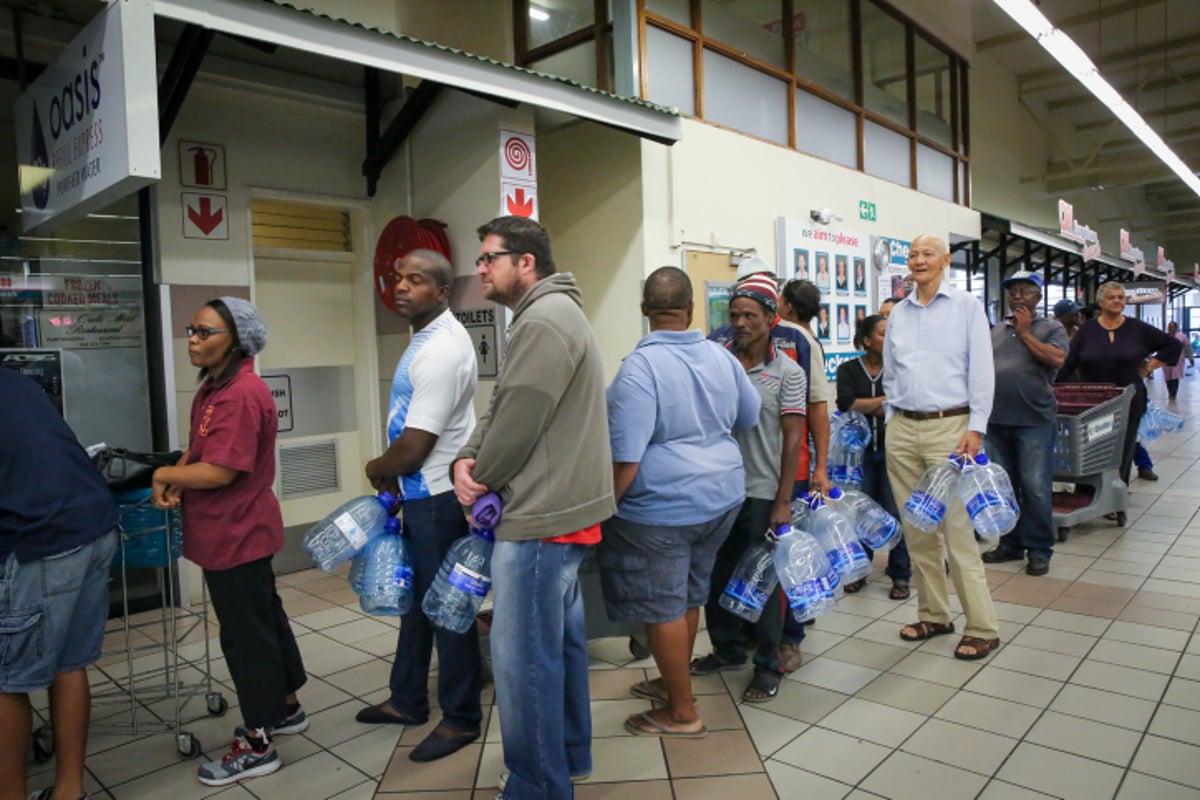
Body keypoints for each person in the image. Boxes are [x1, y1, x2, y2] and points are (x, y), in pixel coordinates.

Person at [452, 216, 614, 800]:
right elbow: (502, 403)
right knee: (561, 650)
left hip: (541, 521)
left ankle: (535, 787)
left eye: (489, 258)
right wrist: (468, 456)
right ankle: (568, 758)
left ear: (526, 263)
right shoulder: (545, 317)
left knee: (524, 667)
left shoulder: (545, 319)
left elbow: (519, 416)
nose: (480, 269)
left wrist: (478, 477)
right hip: (561, 516)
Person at [152, 298, 308, 787]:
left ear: (237, 341)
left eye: (205, 331)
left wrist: (162, 473)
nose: (193, 339)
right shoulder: (214, 388)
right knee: (263, 618)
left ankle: (258, 743)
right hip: (233, 530)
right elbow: (201, 451)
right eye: (191, 329)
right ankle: (285, 705)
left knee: (246, 636)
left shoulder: (241, 393)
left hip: (237, 531)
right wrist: (179, 471)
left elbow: (220, 470)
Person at [601, 267, 759, 738]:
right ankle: (677, 686)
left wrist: (603, 509)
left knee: (663, 606)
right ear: (690, 309)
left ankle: (682, 712)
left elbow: (626, 457)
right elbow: (749, 416)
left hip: (663, 510)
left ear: (646, 311)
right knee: (690, 595)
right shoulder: (722, 357)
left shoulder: (639, 369)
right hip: (722, 498)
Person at [353, 250, 483, 761]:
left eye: (416, 280)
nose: (401, 287)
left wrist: (375, 468)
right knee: (414, 605)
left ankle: (461, 718)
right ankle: (407, 699)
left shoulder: (441, 350)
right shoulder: (426, 338)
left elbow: (416, 444)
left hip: (436, 497)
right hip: (419, 493)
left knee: (448, 610)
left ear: (443, 291)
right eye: (397, 278)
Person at [0, 371, 119, 800]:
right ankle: (69, 790)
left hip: (46, 538)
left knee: (6, 681)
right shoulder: (19, 383)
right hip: (94, 523)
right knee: (68, 663)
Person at [883, 234, 1001, 661]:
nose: (918, 260)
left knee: (958, 534)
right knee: (918, 532)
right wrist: (892, 419)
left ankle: (983, 627)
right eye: (913, 255)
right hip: (903, 429)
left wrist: (977, 427)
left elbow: (982, 371)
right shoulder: (899, 312)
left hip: (951, 429)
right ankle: (934, 614)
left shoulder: (966, 308)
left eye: (927, 254)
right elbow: (892, 372)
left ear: (946, 261)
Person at [692, 275, 806, 703]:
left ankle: (769, 663)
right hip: (717, 490)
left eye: (750, 316)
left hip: (761, 491)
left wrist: (782, 502)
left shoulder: (787, 372)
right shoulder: (716, 361)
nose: (740, 323)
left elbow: (794, 439)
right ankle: (727, 649)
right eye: (734, 315)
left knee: (763, 579)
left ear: (771, 319)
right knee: (715, 575)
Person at [980, 271, 1068, 577]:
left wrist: (1027, 332)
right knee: (1005, 489)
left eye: (1026, 291)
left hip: (1034, 421)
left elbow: (1056, 360)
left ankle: (1040, 549)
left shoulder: (1051, 327)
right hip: (996, 421)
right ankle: (1010, 544)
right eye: (1013, 291)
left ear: (1039, 297)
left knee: (1035, 488)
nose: (1018, 296)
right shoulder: (996, 330)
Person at [1058, 281, 1182, 486]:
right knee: (1093, 448)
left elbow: (1173, 345)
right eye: (1111, 297)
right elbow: (1069, 362)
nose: (1117, 301)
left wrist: (1148, 367)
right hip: (1093, 403)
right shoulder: (1087, 330)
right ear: (1100, 302)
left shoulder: (1137, 328)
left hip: (1129, 399)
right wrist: (1054, 386)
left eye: (1120, 297)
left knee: (1123, 449)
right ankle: (1090, 492)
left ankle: (1117, 496)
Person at [777, 278, 836, 671]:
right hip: (768, 469)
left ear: (788, 306)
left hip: (794, 467)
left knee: (791, 552)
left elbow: (818, 410)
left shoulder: (799, 342)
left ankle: (791, 638)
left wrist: (820, 467)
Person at [835, 314, 912, 599]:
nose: (889, 338)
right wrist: (886, 402)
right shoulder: (848, 370)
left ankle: (900, 574)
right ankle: (860, 571)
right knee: (860, 512)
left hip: (895, 451)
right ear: (867, 340)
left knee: (895, 512)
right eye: (882, 333)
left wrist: (870, 405)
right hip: (859, 457)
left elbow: (904, 403)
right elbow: (847, 404)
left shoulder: (900, 369)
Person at [1163, 321, 1192, 402]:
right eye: (1169, 327)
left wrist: (1191, 359)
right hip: (1166, 360)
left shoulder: (1182, 337)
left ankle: (1173, 394)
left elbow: (1188, 348)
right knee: (1168, 378)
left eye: (1172, 327)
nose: (1170, 329)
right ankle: (1170, 392)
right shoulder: (1164, 337)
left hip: (1177, 360)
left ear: (1176, 328)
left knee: (1175, 377)